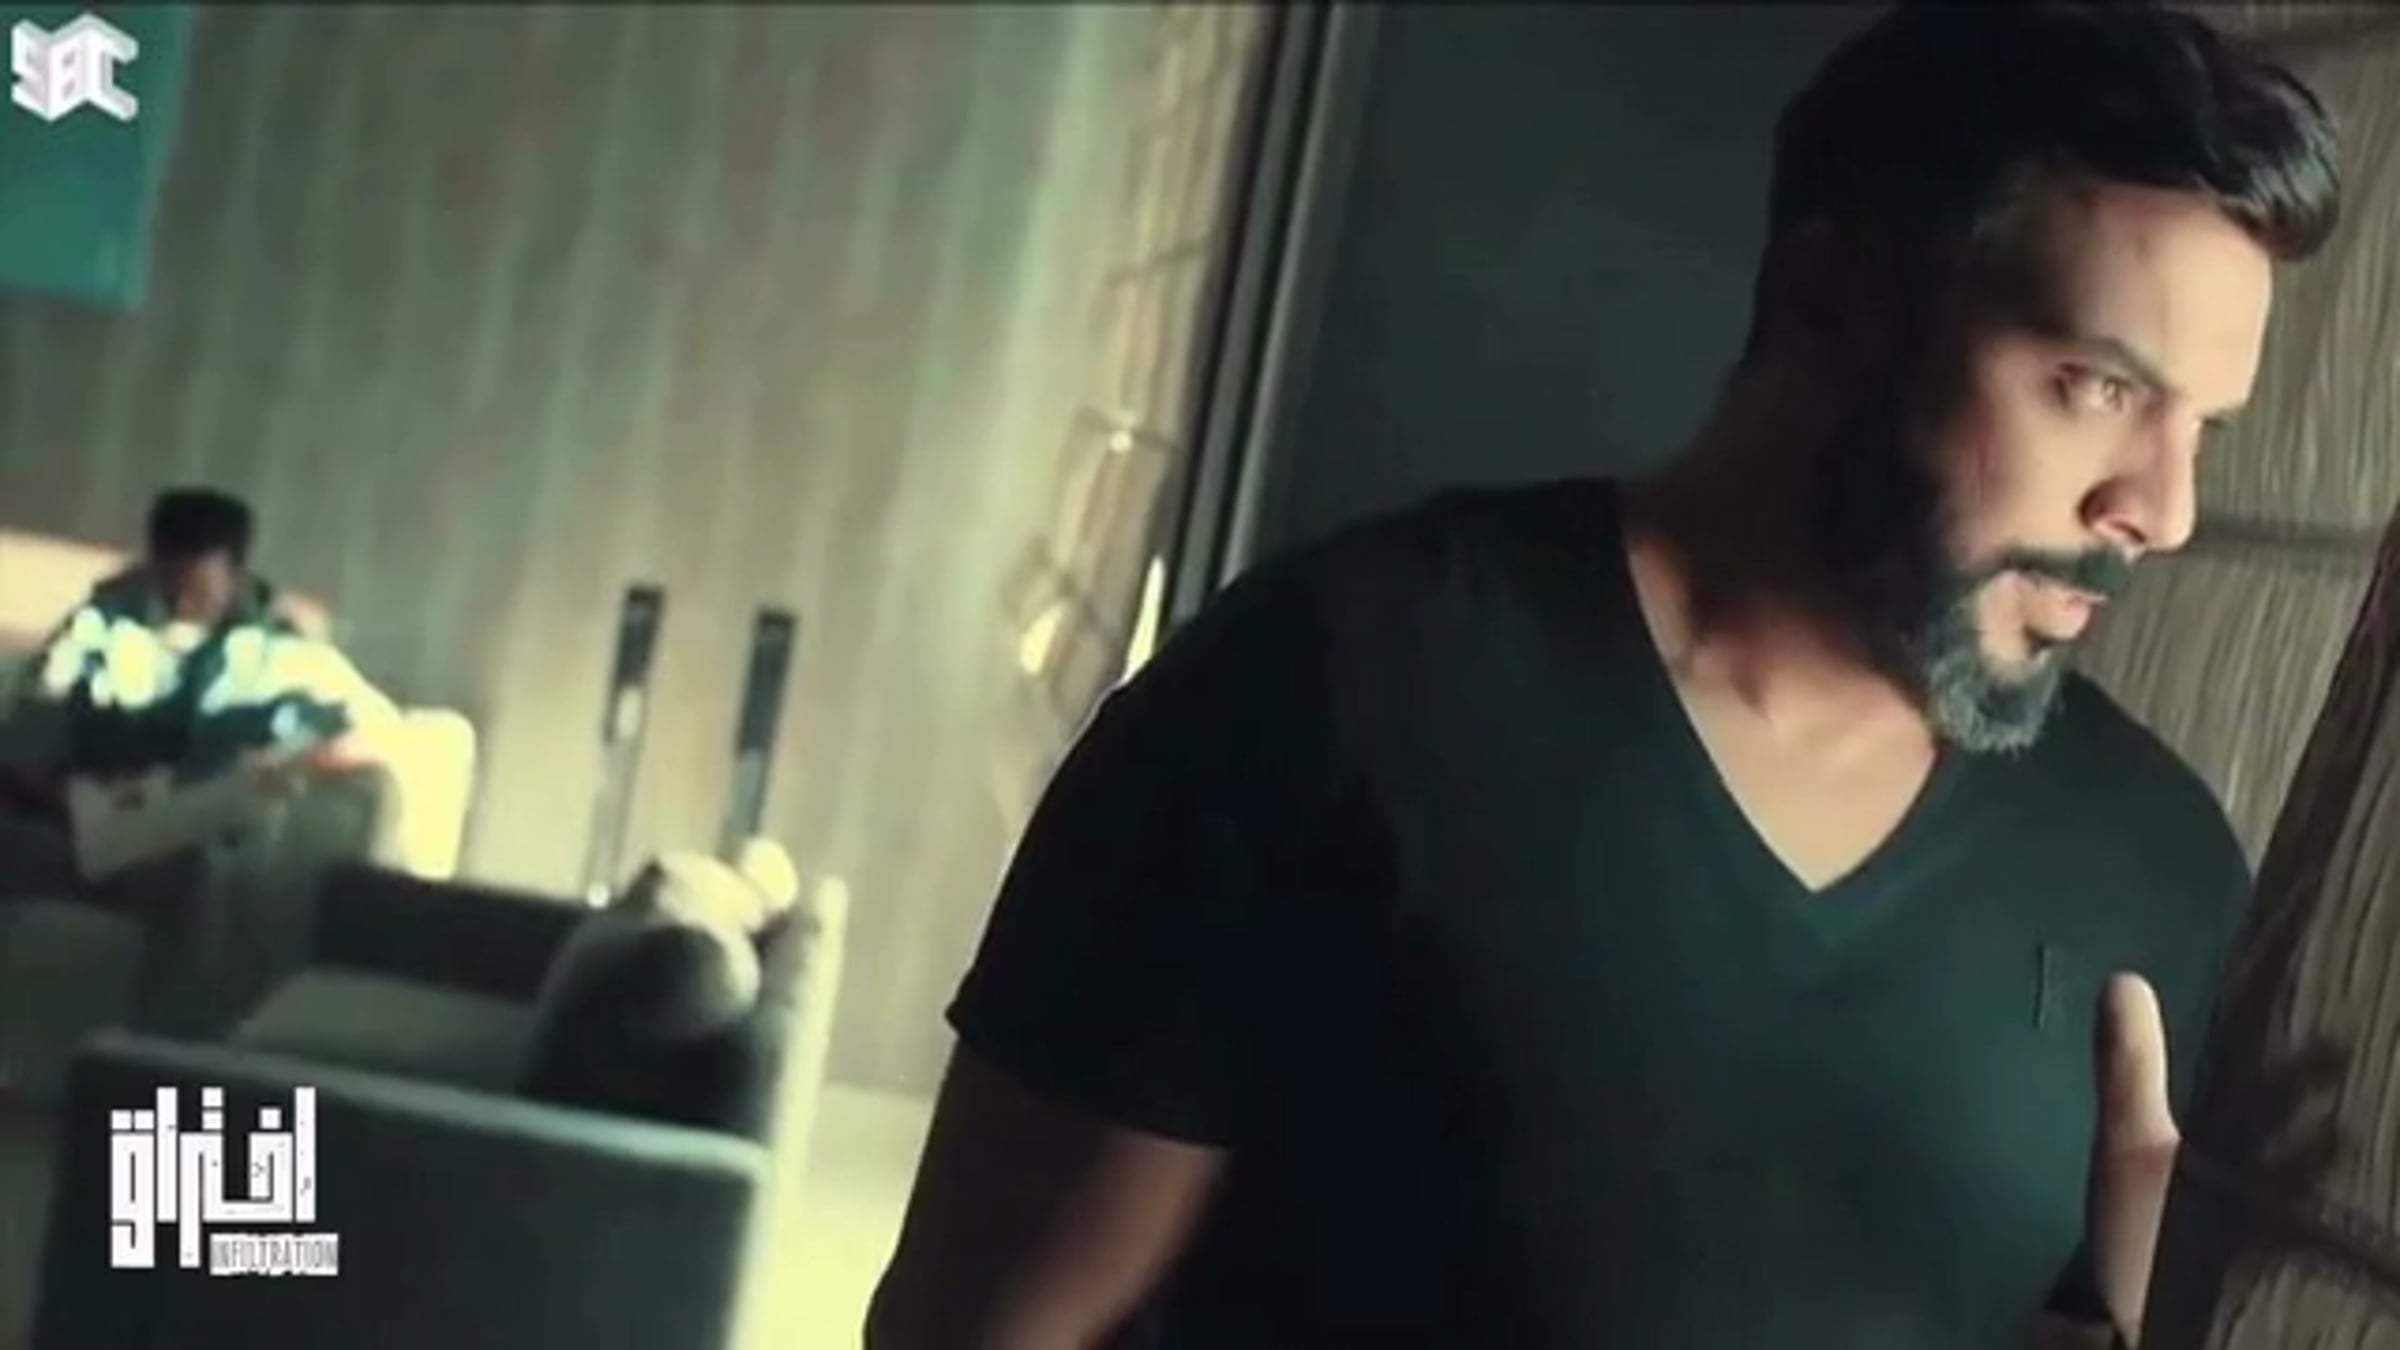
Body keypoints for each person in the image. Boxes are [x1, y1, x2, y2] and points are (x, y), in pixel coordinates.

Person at [868, 4, 2342, 1348]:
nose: (2163, 509)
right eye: (2100, 387)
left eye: (2203, 426)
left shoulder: (2161, 878)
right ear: (1833, 300)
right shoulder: (1328, 693)